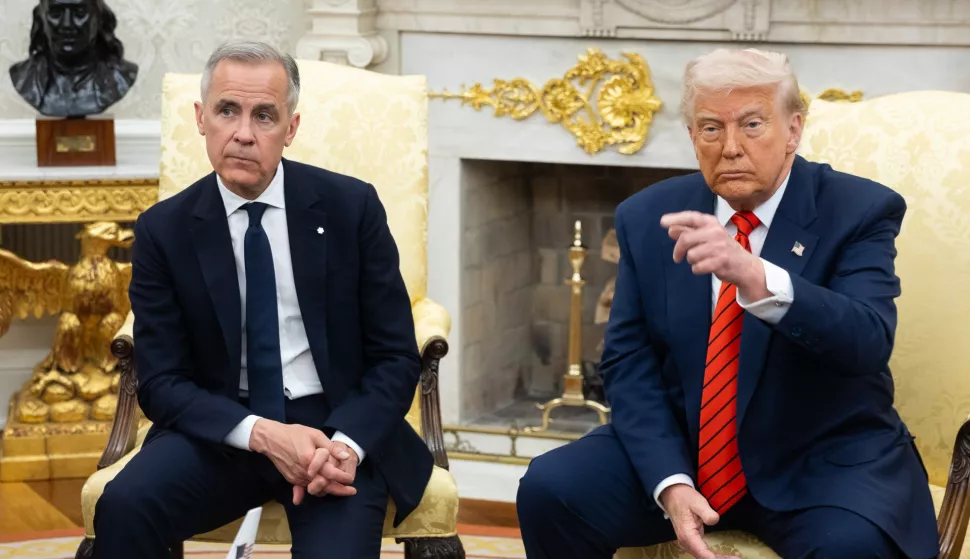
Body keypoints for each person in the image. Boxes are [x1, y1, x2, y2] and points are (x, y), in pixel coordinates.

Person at [516, 48, 938, 559]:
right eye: (711, 128)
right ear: (693, 137)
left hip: (819, 459)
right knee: (551, 489)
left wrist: (755, 277)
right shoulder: (648, 215)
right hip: (687, 449)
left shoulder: (859, 209)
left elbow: (867, 340)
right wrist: (670, 480)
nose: (731, 148)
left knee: (854, 547)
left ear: (793, 130)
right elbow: (629, 362)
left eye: (753, 124)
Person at [92, 40, 432, 558]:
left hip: (334, 433)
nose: (244, 134)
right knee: (123, 506)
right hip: (223, 430)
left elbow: (394, 356)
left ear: (290, 129)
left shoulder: (351, 208)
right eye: (228, 110)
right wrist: (265, 435)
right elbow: (160, 383)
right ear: (201, 118)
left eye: (265, 115)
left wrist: (344, 446)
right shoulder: (164, 230)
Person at [9, 0, 138, 117]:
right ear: (41, 18)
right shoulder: (24, 78)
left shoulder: (121, 76)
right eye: (56, 13)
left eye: (80, 12)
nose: (67, 24)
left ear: (99, 18)